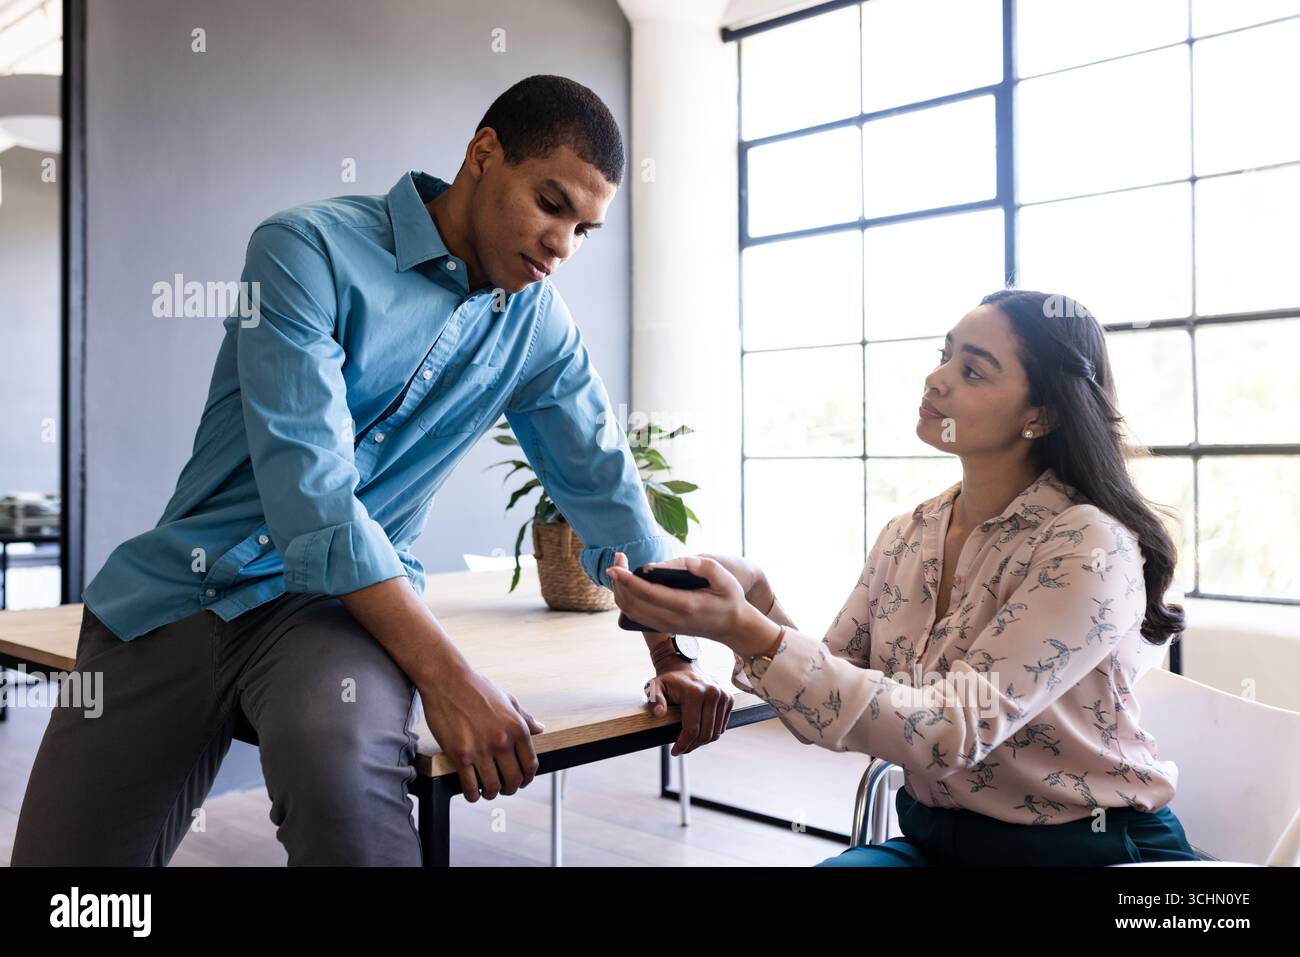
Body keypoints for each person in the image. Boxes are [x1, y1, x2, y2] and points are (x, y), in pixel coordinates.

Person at [12, 75, 732, 867]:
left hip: (336, 619)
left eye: (585, 228)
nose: (563, 244)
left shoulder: (537, 324)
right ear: (483, 155)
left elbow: (604, 483)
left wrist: (673, 657)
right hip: (177, 594)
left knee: (348, 797)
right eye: (551, 203)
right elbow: (313, 495)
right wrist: (449, 676)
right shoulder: (303, 249)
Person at [609, 288, 1200, 866]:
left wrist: (747, 632)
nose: (936, 379)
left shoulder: (1087, 545)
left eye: (973, 371)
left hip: (1091, 854)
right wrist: (757, 599)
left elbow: (942, 734)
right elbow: (829, 693)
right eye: (945, 356)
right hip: (936, 844)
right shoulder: (908, 533)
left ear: (1040, 416)